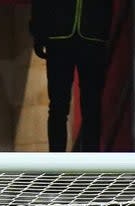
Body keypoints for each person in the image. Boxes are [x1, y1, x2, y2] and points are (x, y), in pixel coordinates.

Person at [31, 0, 111, 152]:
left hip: (92, 37)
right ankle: (56, 160)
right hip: (59, 36)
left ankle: (91, 160)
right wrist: (39, 33)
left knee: (92, 106)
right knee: (58, 105)